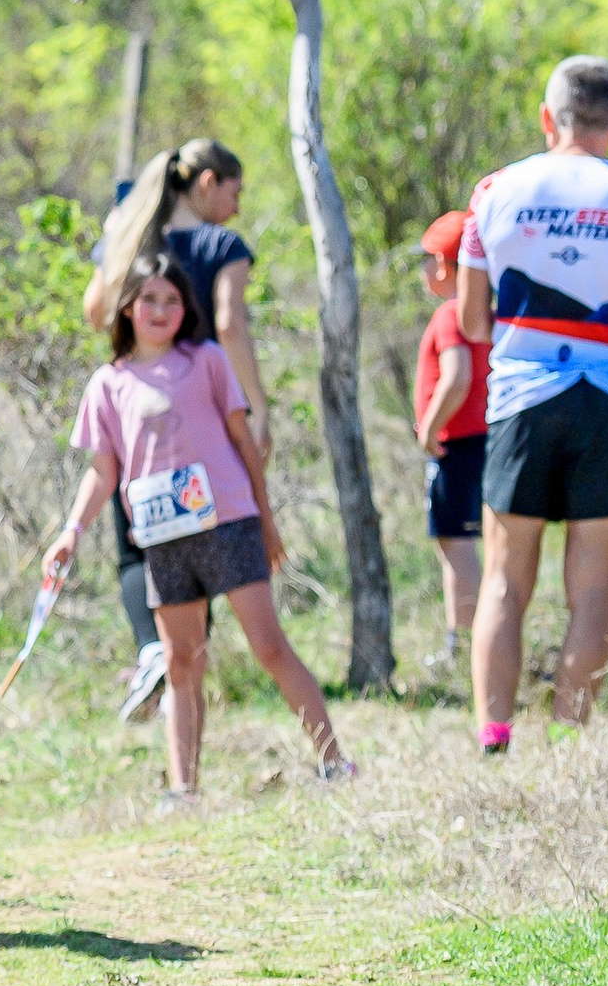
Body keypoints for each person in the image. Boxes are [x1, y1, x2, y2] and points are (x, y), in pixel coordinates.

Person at [47, 253, 345, 800]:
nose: (161, 310)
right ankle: (184, 789)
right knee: (181, 664)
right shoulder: (108, 385)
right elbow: (102, 470)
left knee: (269, 646)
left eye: (173, 300)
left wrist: (267, 520)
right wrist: (71, 531)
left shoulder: (207, 360)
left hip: (229, 522)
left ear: (187, 309)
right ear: (128, 308)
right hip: (162, 540)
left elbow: (243, 443)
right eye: (149, 299)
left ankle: (334, 761)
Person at [458, 56, 608, 751]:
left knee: (503, 577)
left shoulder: (496, 190)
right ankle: (567, 741)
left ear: (547, 118)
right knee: (592, 585)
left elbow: (470, 321)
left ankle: (495, 734)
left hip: (522, 395)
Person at [82, 140, 265, 721]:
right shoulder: (223, 246)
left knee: (143, 547)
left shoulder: (137, 236)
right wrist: (255, 407)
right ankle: (184, 676)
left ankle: (154, 655)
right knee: (201, 538)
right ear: (208, 183)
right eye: (234, 193)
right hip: (207, 424)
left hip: (138, 423)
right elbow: (231, 324)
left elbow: (94, 311)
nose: (235, 209)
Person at [412, 210, 490, 674]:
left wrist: (429, 429)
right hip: (487, 442)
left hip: (457, 445)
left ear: (445, 267)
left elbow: (457, 376)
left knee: (455, 546)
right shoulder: (491, 312)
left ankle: (463, 648)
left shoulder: (451, 315)